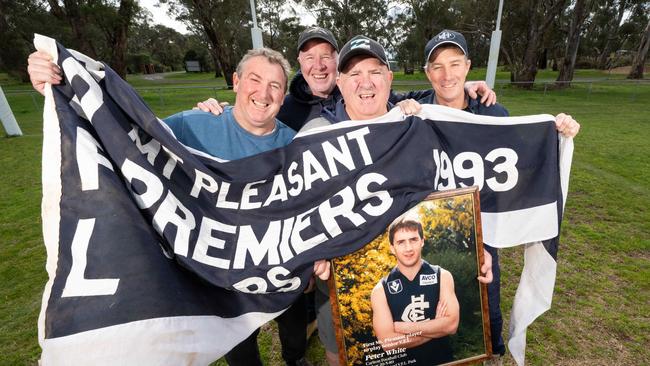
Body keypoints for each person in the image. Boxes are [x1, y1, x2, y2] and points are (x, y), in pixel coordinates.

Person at [27, 48, 311, 366]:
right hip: (219, 271)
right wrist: (60, 89)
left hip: (280, 264)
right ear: (235, 81)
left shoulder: (295, 146)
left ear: (284, 94)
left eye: (275, 85)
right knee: (240, 342)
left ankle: (295, 357)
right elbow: (118, 136)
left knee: (293, 323)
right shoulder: (193, 126)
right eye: (254, 79)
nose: (263, 92)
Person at [299, 35, 495, 366]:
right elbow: (295, 218)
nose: (366, 82)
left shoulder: (415, 126)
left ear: (389, 79)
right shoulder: (314, 136)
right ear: (339, 81)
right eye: (354, 74)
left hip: (414, 288)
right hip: (338, 289)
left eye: (375, 72)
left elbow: (441, 196)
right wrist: (311, 257)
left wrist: (475, 248)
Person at [417, 29, 581, 363]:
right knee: (429, 295)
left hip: (483, 227)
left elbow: (526, 163)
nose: (447, 74)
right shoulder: (415, 112)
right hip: (430, 227)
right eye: (437, 66)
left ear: (468, 66)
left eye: (455, 64)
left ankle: (492, 352)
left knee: (486, 296)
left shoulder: (495, 116)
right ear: (426, 73)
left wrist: (557, 132)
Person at [195, 26, 498, 132]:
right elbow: (255, 116)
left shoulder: (389, 103)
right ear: (299, 62)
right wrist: (222, 112)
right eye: (309, 57)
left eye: (326, 55)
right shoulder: (284, 109)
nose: (318, 65)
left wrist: (463, 86)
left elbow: (428, 95)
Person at [370, 216, 459, 365]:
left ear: (422, 241)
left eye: (413, 240)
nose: (408, 248)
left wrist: (403, 327)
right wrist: (437, 327)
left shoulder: (442, 276)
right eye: (401, 242)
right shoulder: (380, 290)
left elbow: (451, 326)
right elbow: (388, 343)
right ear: (392, 248)